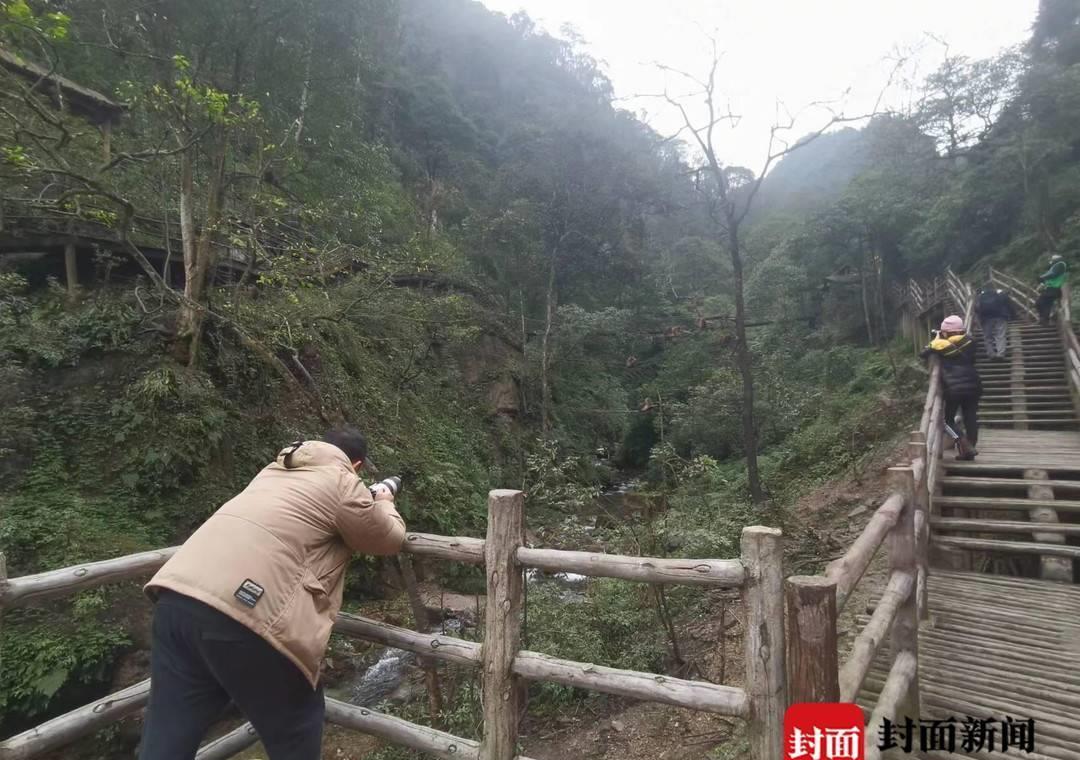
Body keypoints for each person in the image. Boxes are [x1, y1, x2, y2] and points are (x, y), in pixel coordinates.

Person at [138, 426, 406, 760]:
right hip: (247, 611)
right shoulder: (342, 480)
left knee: (168, 735)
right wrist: (383, 500)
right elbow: (385, 538)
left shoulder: (274, 470)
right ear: (358, 465)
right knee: (296, 731)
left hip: (176, 598)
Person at [921, 315, 981, 460]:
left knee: (946, 421)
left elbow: (923, 354)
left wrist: (937, 339)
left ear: (947, 332)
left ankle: (962, 441)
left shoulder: (940, 345)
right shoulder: (970, 342)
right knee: (970, 417)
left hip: (954, 388)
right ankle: (970, 449)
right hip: (974, 385)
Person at [973, 287, 1015, 360]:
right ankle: (1000, 354)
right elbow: (1008, 305)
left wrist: (979, 319)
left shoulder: (981, 296)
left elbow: (976, 308)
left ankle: (991, 354)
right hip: (1000, 317)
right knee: (1000, 335)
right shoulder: (1000, 294)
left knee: (988, 337)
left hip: (986, 319)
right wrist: (1012, 316)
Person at [1036, 254, 1069, 326]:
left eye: (1053, 259)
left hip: (1054, 288)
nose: (1052, 260)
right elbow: (1050, 277)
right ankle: (1044, 320)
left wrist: (1042, 277)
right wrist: (1041, 282)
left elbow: (1053, 274)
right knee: (1043, 304)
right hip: (1050, 288)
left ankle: (1045, 320)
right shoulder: (1055, 266)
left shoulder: (1060, 264)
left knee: (1042, 303)